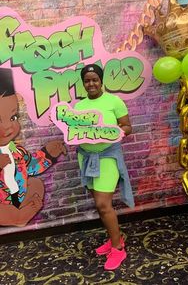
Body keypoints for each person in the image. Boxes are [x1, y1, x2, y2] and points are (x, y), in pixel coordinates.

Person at [74, 64, 134, 270]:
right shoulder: (78, 107)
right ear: (83, 83)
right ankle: (113, 238)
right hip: (86, 158)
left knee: (103, 205)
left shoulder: (114, 101)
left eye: (95, 79)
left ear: (101, 81)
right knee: (100, 206)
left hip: (107, 157)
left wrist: (111, 133)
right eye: (87, 80)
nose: (91, 83)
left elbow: (127, 126)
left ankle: (118, 248)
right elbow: (73, 130)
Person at [0, 68, 67, 227]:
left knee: (36, 183)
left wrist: (49, 153)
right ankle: (18, 217)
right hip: (2, 203)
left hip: (19, 197)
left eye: (13, 117)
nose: (9, 126)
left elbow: (30, 167)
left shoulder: (17, 151)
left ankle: (21, 213)